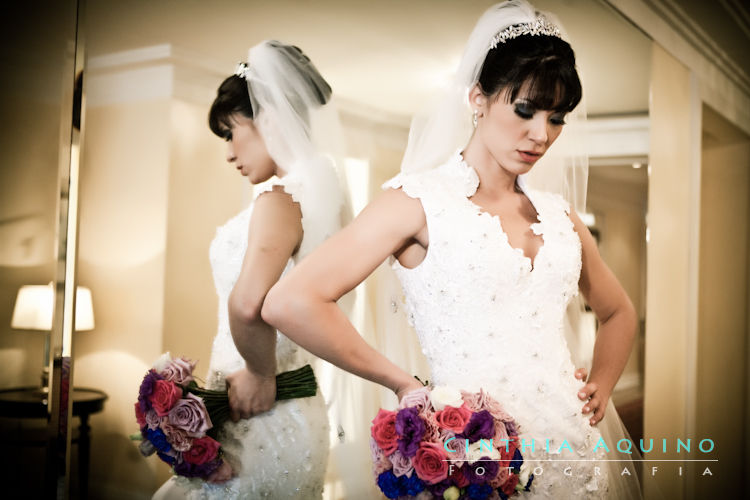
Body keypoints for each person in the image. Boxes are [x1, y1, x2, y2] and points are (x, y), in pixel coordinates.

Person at [262, 2, 648, 498]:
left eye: (557, 119)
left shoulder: (561, 216)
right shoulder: (418, 202)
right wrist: (404, 384)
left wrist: (603, 384)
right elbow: (289, 302)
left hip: (575, 449)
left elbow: (619, 311)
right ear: (477, 99)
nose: (541, 135)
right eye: (525, 110)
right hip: (475, 456)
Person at [153, 39, 344, 499]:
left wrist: (259, 373)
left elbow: (246, 304)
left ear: (269, 118)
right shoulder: (318, 198)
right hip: (283, 407)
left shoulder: (280, 201)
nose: (228, 152)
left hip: (262, 412)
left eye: (230, 132)